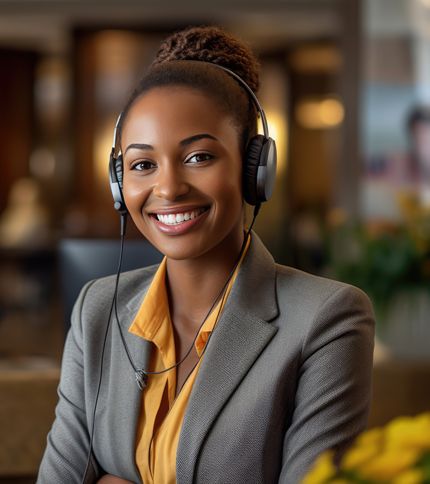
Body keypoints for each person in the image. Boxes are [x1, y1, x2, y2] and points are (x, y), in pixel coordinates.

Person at [37, 26, 375, 484]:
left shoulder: (327, 318)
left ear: (254, 169)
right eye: (142, 164)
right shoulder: (99, 309)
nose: (169, 188)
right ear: (119, 184)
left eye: (198, 157)